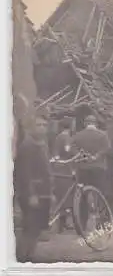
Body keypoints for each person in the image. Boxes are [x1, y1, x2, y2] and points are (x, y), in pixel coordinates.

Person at [14, 110, 53, 262]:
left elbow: (46, 170)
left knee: (37, 227)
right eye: (38, 125)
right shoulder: (28, 146)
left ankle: (30, 255)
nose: (42, 127)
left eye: (44, 125)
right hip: (32, 193)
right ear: (31, 128)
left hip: (43, 192)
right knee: (30, 227)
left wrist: (50, 191)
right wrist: (31, 194)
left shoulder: (42, 144)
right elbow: (25, 173)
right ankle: (22, 258)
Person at [70, 114, 112, 228]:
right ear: (96, 123)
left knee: (82, 196)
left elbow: (71, 148)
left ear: (85, 123)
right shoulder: (103, 135)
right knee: (101, 195)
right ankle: (101, 223)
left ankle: (82, 223)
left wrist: (82, 155)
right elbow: (107, 148)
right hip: (99, 169)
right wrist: (97, 156)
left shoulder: (78, 135)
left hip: (83, 169)